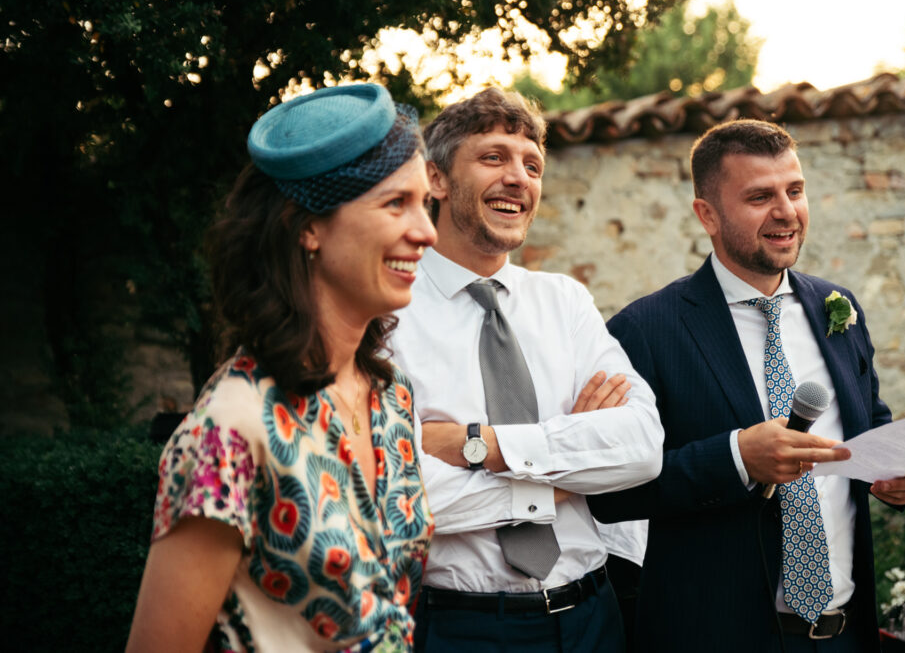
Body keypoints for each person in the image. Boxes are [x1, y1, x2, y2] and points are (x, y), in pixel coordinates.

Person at [588, 119, 905, 652]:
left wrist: (897, 473)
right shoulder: (645, 330)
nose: (786, 211)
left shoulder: (837, 309)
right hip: (715, 639)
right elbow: (609, 494)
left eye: (795, 191)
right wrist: (736, 459)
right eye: (759, 196)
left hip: (845, 633)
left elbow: (869, 421)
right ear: (707, 214)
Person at [126, 83, 437, 652]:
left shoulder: (392, 400)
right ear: (307, 227)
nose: (427, 232)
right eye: (396, 203)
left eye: (425, 204)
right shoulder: (231, 428)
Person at [388, 87, 664, 653]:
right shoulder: (389, 313)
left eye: (532, 165)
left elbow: (641, 446)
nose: (519, 177)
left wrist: (478, 445)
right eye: (494, 158)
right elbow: (404, 494)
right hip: (460, 628)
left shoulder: (565, 301)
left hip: (593, 619)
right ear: (436, 180)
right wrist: (561, 479)